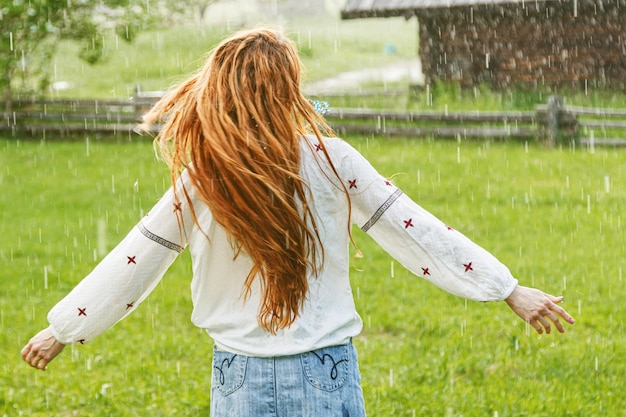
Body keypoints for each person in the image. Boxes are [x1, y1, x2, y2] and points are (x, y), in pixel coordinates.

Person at [21, 28, 575, 416]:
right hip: (324, 370)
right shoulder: (334, 161)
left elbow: (136, 258)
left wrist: (66, 329)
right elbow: (414, 228)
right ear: (286, 90)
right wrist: (507, 289)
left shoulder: (203, 176)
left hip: (238, 379)